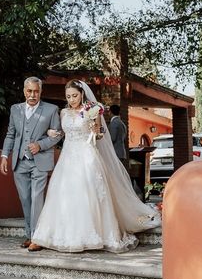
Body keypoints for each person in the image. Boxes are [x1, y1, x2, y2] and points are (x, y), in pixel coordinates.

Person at [28, 80, 160, 253]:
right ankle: (56, 235)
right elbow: (62, 134)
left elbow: (99, 136)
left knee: (88, 192)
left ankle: (94, 235)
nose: (72, 99)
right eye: (68, 96)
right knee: (63, 194)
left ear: (82, 94)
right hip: (67, 158)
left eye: (74, 95)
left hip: (87, 156)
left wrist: (94, 129)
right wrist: (53, 133)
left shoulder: (92, 110)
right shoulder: (63, 113)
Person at [0, 77, 62, 249]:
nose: (33, 94)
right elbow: (10, 134)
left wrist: (40, 145)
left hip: (40, 162)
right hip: (20, 161)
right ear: (24, 91)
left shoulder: (51, 109)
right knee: (25, 199)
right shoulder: (15, 109)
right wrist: (5, 156)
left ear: (40, 92)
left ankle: (38, 237)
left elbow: (57, 135)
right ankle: (30, 235)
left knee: (36, 199)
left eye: (36, 91)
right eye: (29, 91)